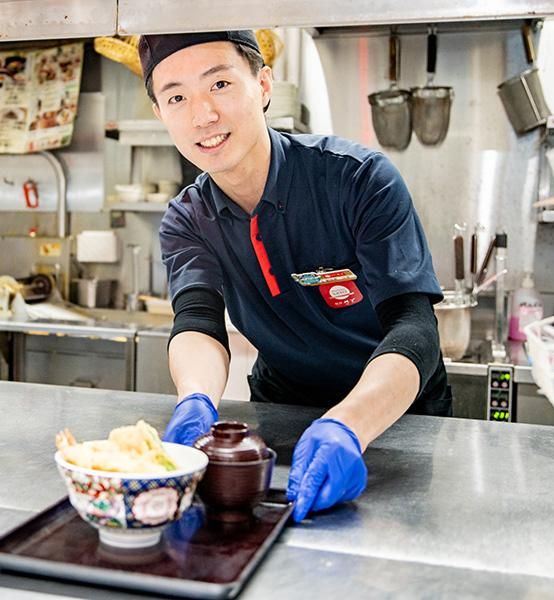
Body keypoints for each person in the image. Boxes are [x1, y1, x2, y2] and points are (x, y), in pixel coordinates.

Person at [138, 31, 450, 523]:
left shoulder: (357, 179)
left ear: (263, 85)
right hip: (283, 416)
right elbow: (198, 321)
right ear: (160, 113)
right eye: (177, 97)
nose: (203, 115)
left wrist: (349, 424)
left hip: (398, 417)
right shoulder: (189, 218)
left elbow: (415, 325)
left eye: (219, 84)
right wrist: (195, 398)